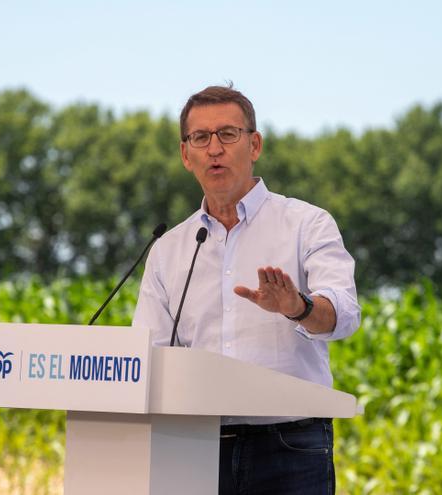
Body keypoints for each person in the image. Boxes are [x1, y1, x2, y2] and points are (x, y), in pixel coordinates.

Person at [132, 84, 360, 494]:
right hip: (193, 446)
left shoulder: (307, 224)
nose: (214, 148)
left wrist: (298, 306)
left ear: (254, 145)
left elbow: (344, 315)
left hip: (290, 446)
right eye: (200, 138)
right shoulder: (168, 250)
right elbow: (147, 354)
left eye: (228, 134)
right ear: (186, 155)